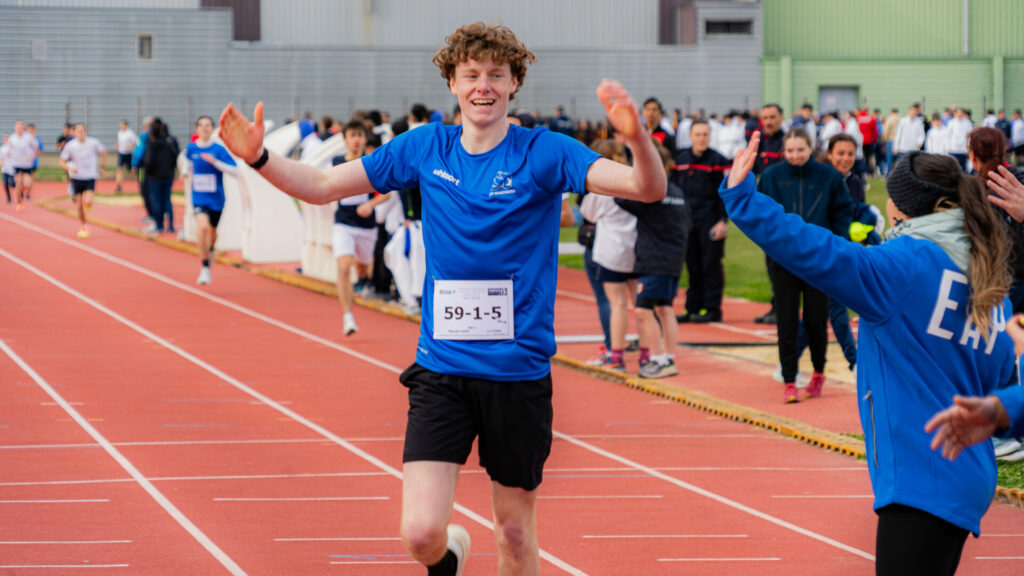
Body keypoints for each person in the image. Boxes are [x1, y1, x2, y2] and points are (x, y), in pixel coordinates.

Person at [218, 22, 665, 576]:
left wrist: (637, 139)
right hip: (443, 370)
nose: (483, 87)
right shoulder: (425, 147)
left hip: (517, 375)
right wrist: (259, 158)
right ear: (452, 83)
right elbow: (324, 186)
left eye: (496, 75)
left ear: (514, 83)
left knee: (514, 532)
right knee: (421, 532)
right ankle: (449, 554)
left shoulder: (545, 152)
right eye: (471, 75)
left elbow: (647, 188)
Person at [724, 135, 1015, 574]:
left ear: (901, 209)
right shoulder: (991, 281)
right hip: (965, 472)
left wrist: (743, 199)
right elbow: (1003, 378)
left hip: (924, 474)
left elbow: (817, 251)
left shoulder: (902, 265)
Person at [758, 128, 853, 403]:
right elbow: (761, 213)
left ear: (810, 149)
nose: (795, 155)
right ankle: (789, 379)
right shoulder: (771, 177)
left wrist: (836, 245)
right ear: (783, 151)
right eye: (790, 150)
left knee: (815, 320)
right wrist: (771, 245)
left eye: (800, 150)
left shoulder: (829, 176)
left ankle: (818, 373)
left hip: (818, 260)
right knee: (786, 321)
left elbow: (842, 213)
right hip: (782, 260)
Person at [617, 144, 690, 378]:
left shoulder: (653, 192)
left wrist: (622, 174)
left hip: (654, 260)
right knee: (664, 309)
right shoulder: (677, 192)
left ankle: (658, 359)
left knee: (643, 311)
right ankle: (668, 358)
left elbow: (621, 199)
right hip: (672, 258)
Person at [329, 120, 391, 335]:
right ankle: (348, 318)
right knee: (344, 266)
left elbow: (387, 193)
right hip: (343, 223)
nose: (356, 139)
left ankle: (363, 278)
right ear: (345, 139)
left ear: (365, 139)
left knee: (362, 269)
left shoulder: (371, 162)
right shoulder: (336, 162)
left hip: (366, 227)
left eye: (360, 135)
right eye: (352, 135)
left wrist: (370, 204)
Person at [672, 119, 730, 323]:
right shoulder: (680, 160)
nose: (702, 138)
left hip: (711, 220)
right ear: (690, 136)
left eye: (705, 134)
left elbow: (725, 194)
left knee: (710, 265)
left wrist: (723, 221)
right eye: (698, 134)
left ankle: (712, 309)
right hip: (688, 221)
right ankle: (692, 308)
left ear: (710, 136)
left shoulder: (718, 160)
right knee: (692, 265)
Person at [184, 116, 237, 285]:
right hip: (198, 197)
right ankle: (205, 267)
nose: (204, 128)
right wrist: (184, 172)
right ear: (196, 128)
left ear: (212, 128)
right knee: (203, 227)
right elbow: (186, 160)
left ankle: (211, 248)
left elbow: (235, 171)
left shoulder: (218, 150)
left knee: (213, 232)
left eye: (208, 125)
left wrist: (215, 163)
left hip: (216, 198)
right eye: (201, 125)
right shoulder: (191, 148)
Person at [58, 123, 107, 238]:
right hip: (77, 177)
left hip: (89, 176)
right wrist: (69, 167)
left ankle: (87, 202)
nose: (81, 133)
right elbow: (61, 162)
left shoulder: (93, 142)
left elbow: (104, 152)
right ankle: (84, 225)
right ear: (74, 133)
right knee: (79, 206)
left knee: (88, 201)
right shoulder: (70, 145)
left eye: (83, 131)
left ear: (86, 132)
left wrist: (102, 167)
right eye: (78, 131)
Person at [141, 118, 180, 234]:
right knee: (167, 199)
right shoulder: (169, 142)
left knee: (156, 200)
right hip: (167, 175)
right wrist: (171, 169)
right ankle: (171, 225)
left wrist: (148, 171)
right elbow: (175, 156)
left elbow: (148, 160)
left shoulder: (152, 143)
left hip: (155, 176)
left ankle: (159, 225)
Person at [8, 120, 40, 212]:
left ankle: (22, 190)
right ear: (15, 128)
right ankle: (19, 202)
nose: (19, 129)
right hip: (16, 163)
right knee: (18, 183)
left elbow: (35, 146)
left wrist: (33, 156)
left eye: (21, 127)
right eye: (18, 127)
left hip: (26, 164)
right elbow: (8, 149)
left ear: (23, 128)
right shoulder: (12, 138)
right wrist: (9, 156)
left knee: (27, 183)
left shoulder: (28, 137)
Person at [115, 120, 137, 193]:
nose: (121, 126)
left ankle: (140, 183)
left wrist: (129, 146)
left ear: (126, 125)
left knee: (132, 170)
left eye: (123, 125)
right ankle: (118, 186)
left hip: (128, 154)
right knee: (119, 169)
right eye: (121, 125)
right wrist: (117, 145)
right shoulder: (119, 133)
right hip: (121, 153)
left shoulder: (130, 133)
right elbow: (120, 142)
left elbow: (135, 142)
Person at [1, 134, 14, 203]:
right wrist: (1, 162)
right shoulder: (2, 148)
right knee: (5, 184)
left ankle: (20, 191)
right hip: (5, 170)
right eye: (5, 139)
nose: (6, 140)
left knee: (13, 184)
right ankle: (9, 198)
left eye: (7, 139)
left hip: (12, 170)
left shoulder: (13, 148)